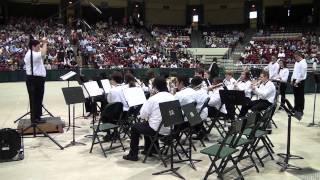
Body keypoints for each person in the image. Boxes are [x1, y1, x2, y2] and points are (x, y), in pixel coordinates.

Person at [123, 77, 175, 161]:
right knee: (147, 124)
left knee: (135, 127)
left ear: (155, 87)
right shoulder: (172, 97)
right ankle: (150, 149)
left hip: (158, 130)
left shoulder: (153, 99)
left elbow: (143, 115)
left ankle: (133, 154)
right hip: (171, 129)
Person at [24, 37, 48, 123]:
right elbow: (43, 52)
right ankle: (35, 119)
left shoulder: (34, 53)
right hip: (34, 79)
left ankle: (37, 117)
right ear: (33, 47)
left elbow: (42, 53)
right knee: (35, 99)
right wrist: (44, 43)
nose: (39, 48)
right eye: (38, 47)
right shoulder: (31, 54)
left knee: (38, 99)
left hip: (37, 79)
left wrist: (40, 43)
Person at [291, 51, 307, 116]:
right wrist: (292, 79)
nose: (295, 58)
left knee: (300, 96)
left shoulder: (303, 63)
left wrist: (297, 81)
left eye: (296, 57)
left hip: (300, 81)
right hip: (295, 80)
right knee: (296, 95)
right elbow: (294, 72)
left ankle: (300, 110)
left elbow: (302, 75)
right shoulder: (296, 62)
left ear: (299, 56)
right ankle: (296, 108)